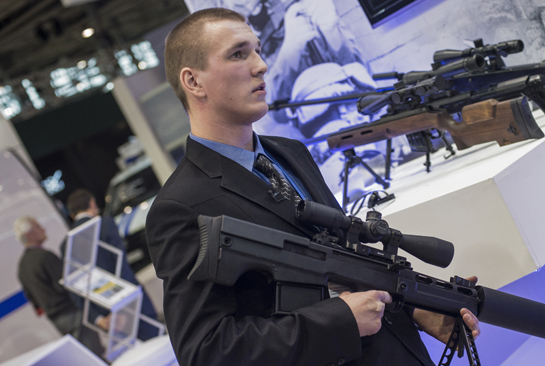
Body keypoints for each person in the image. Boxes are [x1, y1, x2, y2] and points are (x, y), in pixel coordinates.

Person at [146, 8, 480, 366]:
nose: (261, 66)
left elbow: (345, 269)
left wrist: (413, 309)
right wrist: (338, 322)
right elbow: (206, 352)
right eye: (238, 54)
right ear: (193, 81)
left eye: (257, 51)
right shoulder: (180, 206)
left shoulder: (291, 153)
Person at [60, 189, 159, 341]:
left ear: (72, 214)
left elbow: (75, 289)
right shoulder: (105, 224)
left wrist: (99, 319)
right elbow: (121, 265)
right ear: (92, 203)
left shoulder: (66, 244)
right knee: (157, 343)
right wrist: (123, 306)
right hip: (132, 303)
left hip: (108, 317)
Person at [14, 216, 104, 357]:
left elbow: (34, 301)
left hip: (57, 320)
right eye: (38, 226)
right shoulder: (44, 257)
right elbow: (65, 286)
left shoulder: (22, 266)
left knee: (83, 356)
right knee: (94, 354)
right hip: (73, 313)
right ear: (29, 234)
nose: (43, 229)